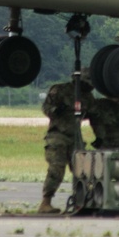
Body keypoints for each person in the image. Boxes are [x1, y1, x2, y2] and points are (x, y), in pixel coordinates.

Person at [38, 70, 95, 214]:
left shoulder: (88, 97)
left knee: (83, 170)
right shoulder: (60, 90)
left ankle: (82, 201)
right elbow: (46, 108)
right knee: (56, 169)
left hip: (75, 136)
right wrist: (56, 109)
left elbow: (94, 113)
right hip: (58, 135)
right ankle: (46, 202)